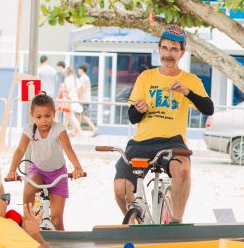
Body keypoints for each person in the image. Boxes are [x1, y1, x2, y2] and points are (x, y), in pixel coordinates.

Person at [115, 26, 214, 222]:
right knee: (120, 188)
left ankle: (176, 222)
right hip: (141, 142)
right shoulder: (146, 77)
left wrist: (187, 92)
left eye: (174, 49)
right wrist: (139, 110)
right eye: (165, 48)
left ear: (182, 53)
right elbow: (133, 117)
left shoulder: (190, 80)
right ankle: (135, 225)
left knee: (182, 170)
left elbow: (208, 109)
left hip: (173, 142)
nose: (168, 54)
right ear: (159, 49)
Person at [5, 93, 86, 230]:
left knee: (57, 220)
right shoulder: (29, 129)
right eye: (39, 117)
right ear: (32, 116)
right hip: (38, 171)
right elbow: (20, 150)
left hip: (58, 174)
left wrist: (78, 168)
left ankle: (60, 242)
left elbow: (68, 148)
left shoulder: (59, 129)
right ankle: (27, 220)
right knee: (30, 187)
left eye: (47, 116)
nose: (43, 121)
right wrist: (12, 170)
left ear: (54, 113)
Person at [57, 66, 82, 136]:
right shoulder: (75, 78)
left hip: (68, 98)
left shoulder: (67, 79)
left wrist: (62, 88)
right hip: (74, 97)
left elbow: (67, 89)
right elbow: (79, 88)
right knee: (67, 116)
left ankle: (80, 131)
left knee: (70, 116)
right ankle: (62, 132)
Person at [75, 63, 99, 136]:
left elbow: (82, 89)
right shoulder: (85, 77)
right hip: (85, 99)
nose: (78, 71)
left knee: (83, 115)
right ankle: (76, 131)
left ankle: (94, 128)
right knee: (78, 115)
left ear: (81, 70)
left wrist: (78, 98)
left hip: (83, 100)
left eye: (79, 70)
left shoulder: (83, 78)